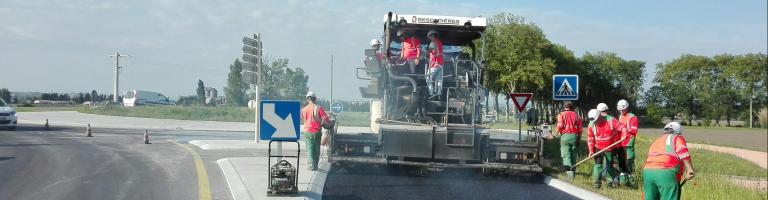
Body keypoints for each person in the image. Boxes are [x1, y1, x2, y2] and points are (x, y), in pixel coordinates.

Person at [642, 122, 695, 200]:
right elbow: (682, 151)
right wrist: (690, 169)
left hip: (647, 172)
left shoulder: (656, 140)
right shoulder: (677, 137)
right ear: (678, 131)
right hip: (666, 172)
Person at [587, 103, 628, 189]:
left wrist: (624, 135)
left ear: (600, 116)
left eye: (596, 120)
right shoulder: (591, 124)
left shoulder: (611, 120)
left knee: (610, 166)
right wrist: (591, 150)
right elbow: (590, 139)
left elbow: (623, 128)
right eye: (593, 121)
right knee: (598, 165)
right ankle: (596, 185)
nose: (595, 122)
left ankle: (609, 185)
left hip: (611, 147)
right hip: (598, 147)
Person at [300, 91, 328, 171]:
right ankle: (315, 166)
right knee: (316, 149)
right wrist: (325, 123)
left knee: (309, 149)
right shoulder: (318, 108)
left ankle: (310, 166)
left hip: (307, 131)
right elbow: (324, 118)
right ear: (315, 99)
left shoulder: (304, 109)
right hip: (316, 131)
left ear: (307, 99)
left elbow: (303, 119)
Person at [616, 99, 639, 186]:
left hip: (629, 142)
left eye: (623, 109)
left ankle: (631, 182)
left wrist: (626, 127)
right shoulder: (620, 116)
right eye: (620, 110)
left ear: (627, 108)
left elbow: (635, 130)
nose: (621, 111)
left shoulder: (632, 117)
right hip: (621, 142)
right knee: (621, 162)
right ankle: (623, 181)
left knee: (629, 162)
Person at [555, 101, 583, 171]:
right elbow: (580, 129)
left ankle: (569, 173)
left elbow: (560, 126)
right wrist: (578, 139)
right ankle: (573, 173)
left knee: (566, 155)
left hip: (565, 136)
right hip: (574, 136)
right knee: (573, 155)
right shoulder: (577, 115)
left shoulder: (561, 115)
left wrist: (555, 134)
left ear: (564, 107)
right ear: (572, 107)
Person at [426, 30, 444, 98]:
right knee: (439, 79)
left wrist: (424, 53)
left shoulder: (432, 43)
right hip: (440, 64)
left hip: (434, 64)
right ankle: (439, 94)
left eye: (430, 37)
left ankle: (431, 93)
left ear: (432, 36)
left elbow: (429, 51)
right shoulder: (439, 42)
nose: (429, 39)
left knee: (428, 78)